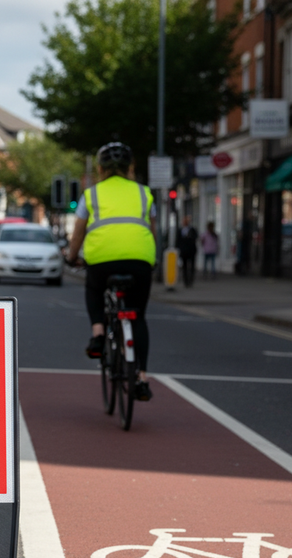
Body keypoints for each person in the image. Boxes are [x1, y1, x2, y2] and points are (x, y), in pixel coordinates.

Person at [66, 141, 156, 402]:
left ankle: (97, 334)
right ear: (131, 167)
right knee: (137, 316)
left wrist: (73, 257)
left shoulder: (91, 195)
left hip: (102, 261)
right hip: (140, 260)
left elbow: (78, 234)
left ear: (100, 169)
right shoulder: (144, 193)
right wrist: (153, 259)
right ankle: (141, 377)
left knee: (94, 288)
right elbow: (151, 229)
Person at [176, 215, 198, 287]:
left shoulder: (192, 230)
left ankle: (191, 280)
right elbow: (178, 241)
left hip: (191, 251)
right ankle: (186, 281)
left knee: (192, 266)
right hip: (184, 251)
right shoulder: (180, 230)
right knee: (184, 266)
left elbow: (195, 238)